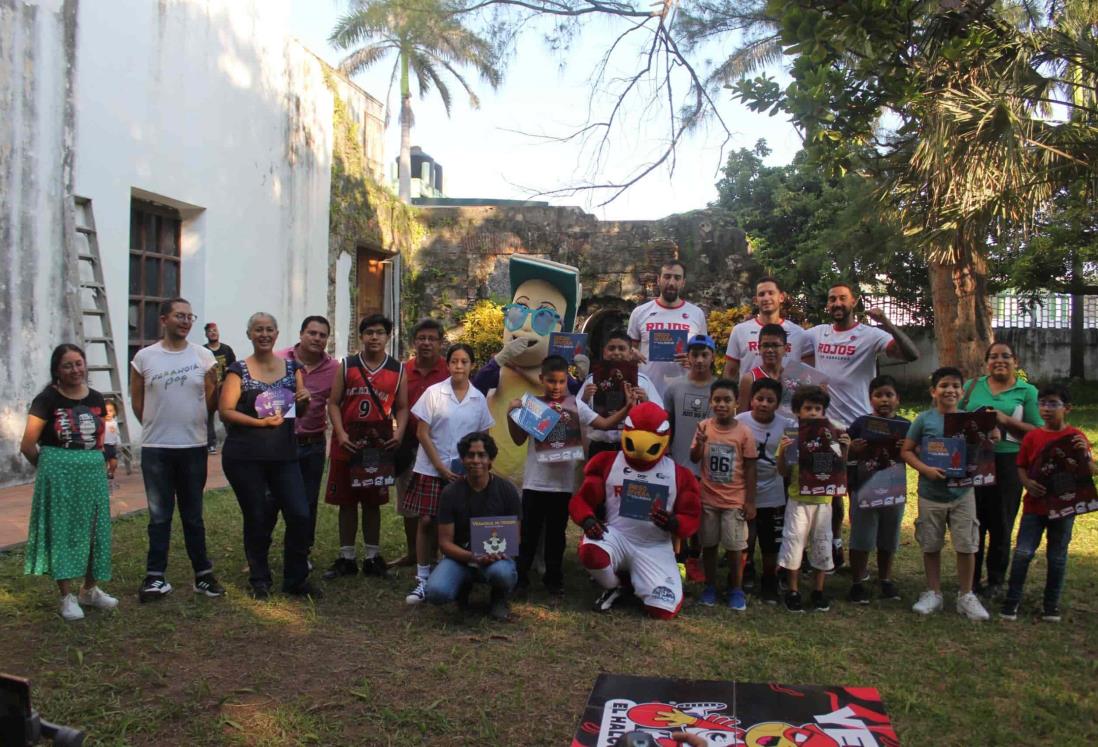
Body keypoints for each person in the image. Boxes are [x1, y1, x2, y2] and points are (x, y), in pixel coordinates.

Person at [802, 283, 919, 570]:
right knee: (828, 493)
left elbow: (911, 354)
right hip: (827, 428)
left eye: (842, 297)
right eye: (831, 298)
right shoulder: (817, 334)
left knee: (860, 497)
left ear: (854, 301)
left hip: (864, 429)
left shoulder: (871, 334)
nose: (836, 302)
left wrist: (888, 323)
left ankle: (861, 557)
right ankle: (833, 546)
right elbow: (792, 352)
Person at [508, 355, 634, 596]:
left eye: (561, 382)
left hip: (562, 486)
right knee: (528, 534)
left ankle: (554, 580)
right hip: (535, 483)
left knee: (557, 535)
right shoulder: (533, 406)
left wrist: (627, 408)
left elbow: (605, 424)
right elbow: (518, 439)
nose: (556, 387)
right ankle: (520, 578)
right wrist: (511, 414)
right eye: (551, 382)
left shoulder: (576, 406)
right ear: (541, 379)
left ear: (567, 380)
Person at [569, 402, 702, 618]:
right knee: (591, 552)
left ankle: (637, 582)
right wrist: (588, 520)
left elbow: (692, 517)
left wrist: (674, 523)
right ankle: (615, 586)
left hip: (654, 546)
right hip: (617, 536)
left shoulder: (678, 474)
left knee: (662, 610)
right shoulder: (607, 462)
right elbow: (581, 500)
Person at [130, 297, 223, 602]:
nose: (185, 321)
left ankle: (203, 576)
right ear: (164, 320)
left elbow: (211, 405)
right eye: (179, 316)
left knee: (193, 515)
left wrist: (212, 388)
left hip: (192, 446)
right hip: (157, 448)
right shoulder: (144, 357)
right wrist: (157, 424)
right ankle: (155, 577)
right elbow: (138, 402)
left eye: (189, 317)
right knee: (159, 517)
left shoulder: (203, 356)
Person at [220, 312, 316, 599]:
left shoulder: (291, 368)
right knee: (258, 516)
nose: (264, 334)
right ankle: (259, 579)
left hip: (284, 454)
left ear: (276, 334)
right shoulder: (238, 370)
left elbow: (298, 411)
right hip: (245, 456)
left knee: (299, 513)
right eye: (258, 330)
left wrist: (305, 401)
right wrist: (259, 423)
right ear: (250, 334)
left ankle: (296, 578)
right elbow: (225, 411)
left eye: (269, 330)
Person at [20, 344, 117, 621]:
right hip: (59, 475)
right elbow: (28, 444)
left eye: (79, 363)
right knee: (63, 529)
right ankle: (66, 596)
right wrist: (51, 469)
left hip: (91, 474)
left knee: (94, 528)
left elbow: (102, 437)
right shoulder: (46, 400)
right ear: (56, 371)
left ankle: (90, 589)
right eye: (67, 365)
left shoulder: (97, 398)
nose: (75, 370)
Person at [900, 367, 996, 621]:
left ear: (962, 392)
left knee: (966, 544)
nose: (949, 390)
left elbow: (985, 445)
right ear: (934, 391)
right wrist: (925, 469)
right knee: (931, 544)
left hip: (963, 494)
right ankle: (933, 592)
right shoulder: (924, 420)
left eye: (955, 386)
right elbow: (907, 451)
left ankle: (966, 595)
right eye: (943, 385)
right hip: (931, 494)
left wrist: (992, 434)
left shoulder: (970, 421)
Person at [404, 343, 494, 604]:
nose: (459, 366)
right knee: (427, 521)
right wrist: (441, 467)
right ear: (448, 364)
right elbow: (422, 432)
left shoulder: (478, 399)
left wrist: (478, 467)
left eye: (464, 362)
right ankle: (422, 577)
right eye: (454, 361)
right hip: (432, 469)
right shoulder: (434, 393)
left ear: (471, 366)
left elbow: (483, 438)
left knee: (459, 525)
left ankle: (451, 574)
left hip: (464, 473)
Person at [322, 314, 408, 580]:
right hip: (348, 442)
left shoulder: (397, 369)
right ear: (361, 336)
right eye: (369, 332)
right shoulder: (347, 365)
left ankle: (372, 557)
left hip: (377, 445)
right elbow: (333, 402)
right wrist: (339, 432)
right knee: (346, 502)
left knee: (372, 502)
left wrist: (400, 432)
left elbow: (402, 407)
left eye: (380, 332)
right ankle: (346, 557)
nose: (374, 337)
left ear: (387, 336)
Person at [1001, 384, 1094, 622]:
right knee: (1022, 553)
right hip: (1034, 506)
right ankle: (1012, 601)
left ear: (1067, 408)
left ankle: (1051, 605)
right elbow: (1020, 465)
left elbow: (1090, 470)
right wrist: (1027, 484)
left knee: (1057, 556)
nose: (1046, 409)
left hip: (1064, 507)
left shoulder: (1076, 437)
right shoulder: (1033, 436)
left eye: (1053, 404)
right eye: (1042, 403)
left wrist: (1085, 454)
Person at [962, 341, 1042, 599]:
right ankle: (970, 580)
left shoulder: (1026, 391)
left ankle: (996, 580)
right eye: (993, 356)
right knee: (973, 519)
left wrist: (1005, 420)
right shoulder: (972, 386)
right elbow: (954, 418)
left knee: (1001, 520)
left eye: (1005, 356)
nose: (999, 360)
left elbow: (1038, 431)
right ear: (986, 362)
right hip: (974, 459)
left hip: (1008, 462)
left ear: (1015, 361)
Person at [424, 432, 522, 621]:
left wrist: (500, 553)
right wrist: (472, 557)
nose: (476, 460)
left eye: (481, 455)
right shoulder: (450, 493)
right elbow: (444, 543)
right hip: (459, 558)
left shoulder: (507, 491)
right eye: (470, 455)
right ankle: (463, 585)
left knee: (502, 573)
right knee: (436, 592)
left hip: (496, 558)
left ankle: (499, 598)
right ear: (462, 459)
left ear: (490, 459)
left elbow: (515, 538)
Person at [775, 385, 849, 613]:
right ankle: (793, 590)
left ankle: (818, 591)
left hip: (824, 503)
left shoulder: (832, 434)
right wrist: (781, 454)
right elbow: (784, 473)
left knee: (822, 545)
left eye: (818, 408)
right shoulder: (792, 436)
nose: (814, 413)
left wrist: (845, 448)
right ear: (798, 411)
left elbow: (840, 468)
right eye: (808, 408)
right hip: (798, 501)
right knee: (794, 544)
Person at [690, 379, 758, 611]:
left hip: (733, 501)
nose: (721, 404)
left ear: (737, 403)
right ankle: (710, 586)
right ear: (710, 402)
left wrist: (749, 501)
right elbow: (694, 458)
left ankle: (736, 589)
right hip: (708, 499)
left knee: (734, 547)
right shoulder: (704, 427)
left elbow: (750, 468)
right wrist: (699, 444)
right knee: (708, 545)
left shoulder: (744, 433)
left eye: (727, 400)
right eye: (717, 400)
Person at [275, 315, 338, 560]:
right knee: (271, 501)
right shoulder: (279, 359)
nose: (317, 338)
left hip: (312, 444)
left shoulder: (333, 368)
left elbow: (337, 403)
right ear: (301, 334)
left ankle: (302, 552)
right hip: (280, 443)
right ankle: (259, 553)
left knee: (307, 502)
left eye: (322, 335)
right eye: (312, 333)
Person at [845, 374, 909, 604]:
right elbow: (841, 450)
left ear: (897, 399)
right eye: (878, 395)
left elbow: (915, 455)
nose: (884, 400)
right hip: (864, 487)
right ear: (870, 398)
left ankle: (885, 579)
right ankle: (857, 582)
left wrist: (907, 449)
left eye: (889, 395)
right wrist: (852, 448)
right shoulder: (861, 423)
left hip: (894, 489)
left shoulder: (905, 426)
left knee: (888, 537)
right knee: (861, 537)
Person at [392, 319, 450, 568]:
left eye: (432, 339)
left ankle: (436, 554)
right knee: (408, 499)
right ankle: (413, 553)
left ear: (440, 343)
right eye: (421, 338)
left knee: (438, 503)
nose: (426, 343)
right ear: (414, 342)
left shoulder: (449, 371)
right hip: (408, 444)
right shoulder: (402, 371)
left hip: (439, 445)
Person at [735, 378, 795, 604]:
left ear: (778, 403)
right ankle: (743, 574)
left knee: (771, 542)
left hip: (773, 493)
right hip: (744, 491)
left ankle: (769, 580)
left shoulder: (787, 425)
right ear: (751, 399)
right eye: (759, 398)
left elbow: (791, 463)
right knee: (744, 540)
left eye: (770, 400)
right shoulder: (739, 421)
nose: (763, 404)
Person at [663, 334, 716, 582]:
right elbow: (668, 423)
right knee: (679, 510)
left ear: (712, 357)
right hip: (679, 461)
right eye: (694, 354)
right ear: (688, 356)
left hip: (706, 464)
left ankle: (697, 557)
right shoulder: (674, 387)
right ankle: (677, 557)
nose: (699, 360)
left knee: (703, 513)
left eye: (704, 355)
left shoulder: (718, 388)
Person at [626, 260, 708, 398]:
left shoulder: (696, 313)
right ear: (658, 280)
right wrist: (631, 354)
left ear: (683, 282)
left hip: (684, 392)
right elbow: (628, 350)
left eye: (677, 278)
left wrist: (693, 360)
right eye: (667, 276)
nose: (671, 282)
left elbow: (705, 354)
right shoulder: (640, 312)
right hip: (647, 392)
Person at [581, 329, 663, 458]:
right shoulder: (592, 379)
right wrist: (585, 398)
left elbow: (660, 416)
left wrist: (645, 400)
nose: (616, 352)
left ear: (630, 353)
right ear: (604, 352)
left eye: (621, 348)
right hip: (599, 446)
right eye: (611, 348)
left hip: (631, 446)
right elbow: (578, 411)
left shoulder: (643, 381)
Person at [722, 276, 812, 381]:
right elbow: (730, 372)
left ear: (781, 297)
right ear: (755, 300)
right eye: (761, 294)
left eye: (771, 293)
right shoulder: (740, 331)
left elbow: (808, 375)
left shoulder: (798, 333)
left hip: (787, 396)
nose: (766, 298)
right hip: (751, 395)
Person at [203, 322, 236, 454]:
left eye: (215, 330)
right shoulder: (203, 351)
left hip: (224, 387)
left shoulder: (227, 350)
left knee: (227, 414)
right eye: (210, 331)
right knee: (208, 416)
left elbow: (234, 368)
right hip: (209, 388)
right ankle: (210, 444)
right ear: (206, 334)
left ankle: (232, 439)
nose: (213, 333)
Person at [103, 399, 120, 485]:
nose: (108, 413)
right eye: (106, 411)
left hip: (112, 445)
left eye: (111, 411)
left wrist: (116, 444)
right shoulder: (102, 422)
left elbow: (115, 434)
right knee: (104, 462)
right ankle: (104, 477)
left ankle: (111, 472)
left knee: (114, 462)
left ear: (115, 412)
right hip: (104, 446)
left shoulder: (114, 422)